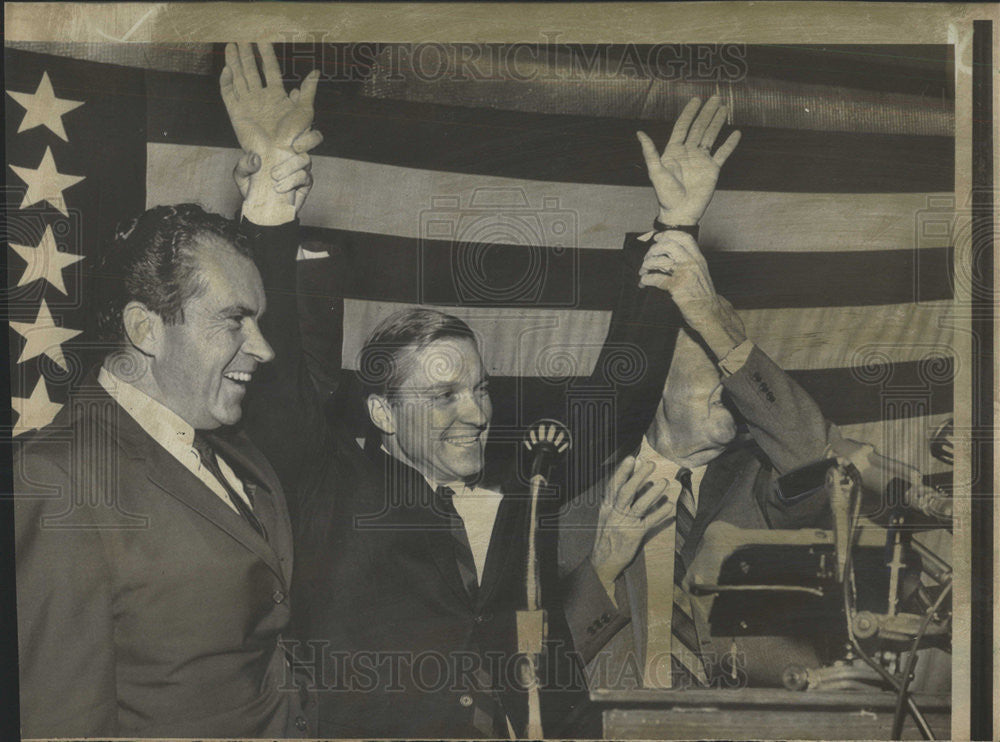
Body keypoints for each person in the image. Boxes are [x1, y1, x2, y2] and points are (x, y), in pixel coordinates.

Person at [222, 44, 740, 738]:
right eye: (441, 398)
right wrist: (267, 214)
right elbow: (275, 382)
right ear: (381, 412)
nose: (474, 413)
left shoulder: (526, 477)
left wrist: (675, 227)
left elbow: (619, 400)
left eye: (479, 389)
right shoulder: (327, 483)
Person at [12, 200, 317, 736]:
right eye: (234, 321)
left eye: (259, 322)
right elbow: (62, 720)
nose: (264, 349)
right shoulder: (60, 478)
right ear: (145, 329)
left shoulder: (232, 442)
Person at [559, 224, 840, 699]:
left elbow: (817, 457)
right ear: (657, 376)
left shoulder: (764, 479)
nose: (733, 375)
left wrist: (716, 325)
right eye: (711, 351)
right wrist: (601, 570)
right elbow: (526, 670)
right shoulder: (573, 502)